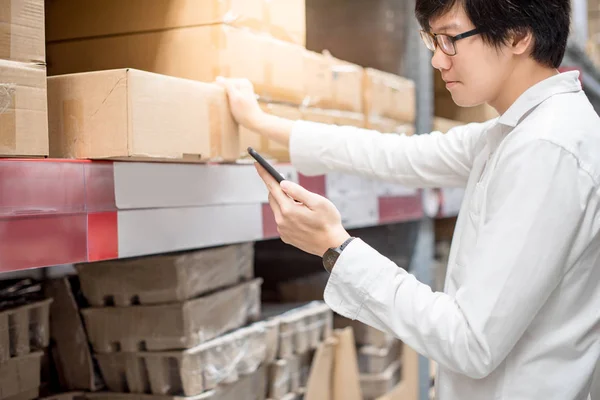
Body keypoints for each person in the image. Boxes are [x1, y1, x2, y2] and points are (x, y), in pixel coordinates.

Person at [218, 0, 600, 398]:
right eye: (433, 40)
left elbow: (471, 342)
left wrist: (336, 248)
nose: (437, 60)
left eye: (450, 39)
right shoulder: (514, 130)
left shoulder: (547, 148)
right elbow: (399, 154)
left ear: (519, 36)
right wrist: (261, 123)